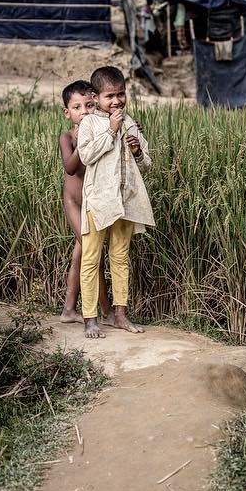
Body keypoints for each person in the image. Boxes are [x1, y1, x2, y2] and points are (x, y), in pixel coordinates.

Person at [76, 65, 154, 339]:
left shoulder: (130, 121)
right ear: (95, 98)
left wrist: (137, 150)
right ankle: (90, 319)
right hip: (99, 201)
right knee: (91, 258)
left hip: (126, 201)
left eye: (120, 94)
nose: (117, 101)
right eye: (109, 96)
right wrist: (111, 130)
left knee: (120, 257)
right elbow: (85, 156)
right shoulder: (90, 123)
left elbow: (146, 164)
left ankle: (120, 314)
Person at [58, 80, 111, 327]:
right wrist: (81, 145)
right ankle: (106, 311)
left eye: (89, 105)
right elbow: (70, 169)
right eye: (77, 107)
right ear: (68, 112)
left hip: (92, 204)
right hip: (74, 202)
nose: (85, 112)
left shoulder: (101, 132)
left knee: (80, 254)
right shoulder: (67, 137)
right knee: (93, 254)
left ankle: (69, 309)